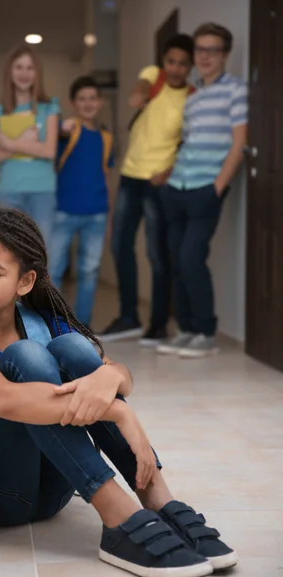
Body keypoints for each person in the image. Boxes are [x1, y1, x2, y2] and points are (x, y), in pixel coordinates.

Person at [0, 207, 237, 577]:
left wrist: (106, 378)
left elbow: (122, 376)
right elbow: (4, 401)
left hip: (55, 492)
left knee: (75, 347)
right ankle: (118, 517)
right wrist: (120, 415)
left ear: (24, 281)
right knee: (25, 356)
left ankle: (157, 497)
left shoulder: (45, 320)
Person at [157, 24, 248, 358]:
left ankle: (206, 332)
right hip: (177, 187)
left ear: (224, 54)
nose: (204, 57)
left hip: (205, 190)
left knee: (191, 257)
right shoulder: (193, 98)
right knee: (176, 261)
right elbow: (188, 143)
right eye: (200, 50)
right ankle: (187, 328)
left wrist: (217, 187)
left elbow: (240, 143)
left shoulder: (236, 91)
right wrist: (168, 178)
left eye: (212, 50)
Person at [100, 34, 195, 346]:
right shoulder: (153, 76)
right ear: (164, 62)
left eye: (182, 63)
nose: (176, 68)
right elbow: (136, 92)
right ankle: (129, 317)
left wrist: (169, 171)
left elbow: (189, 143)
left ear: (190, 65)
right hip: (130, 175)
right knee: (120, 245)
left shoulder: (192, 98)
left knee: (157, 254)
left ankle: (157, 325)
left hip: (158, 183)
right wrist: (140, 93)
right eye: (171, 62)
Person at [0, 45, 59, 247]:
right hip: (9, 191)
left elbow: (49, 151)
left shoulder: (49, 108)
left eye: (30, 68)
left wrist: (9, 143)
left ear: (37, 73)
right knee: (9, 254)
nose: (24, 73)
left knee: (40, 253)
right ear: (9, 72)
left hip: (42, 191)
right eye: (19, 67)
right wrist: (24, 143)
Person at [49, 76, 114, 328]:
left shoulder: (106, 137)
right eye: (82, 99)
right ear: (73, 103)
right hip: (63, 211)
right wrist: (60, 129)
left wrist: (109, 217)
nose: (88, 104)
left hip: (97, 214)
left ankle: (82, 325)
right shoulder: (68, 130)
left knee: (89, 271)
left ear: (100, 102)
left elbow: (105, 177)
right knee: (54, 270)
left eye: (92, 98)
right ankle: (54, 324)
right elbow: (54, 136)